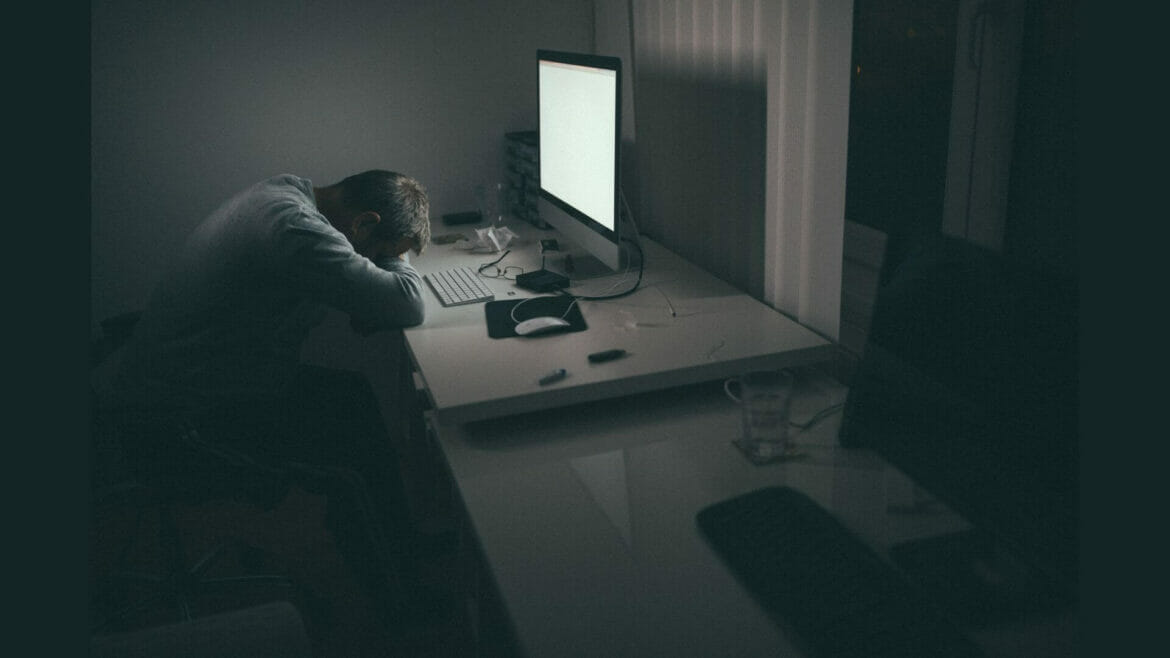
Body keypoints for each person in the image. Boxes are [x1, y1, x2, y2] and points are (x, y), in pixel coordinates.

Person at [104, 170, 435, 619]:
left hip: (204, 384)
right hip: (178, 420)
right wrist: (394, 265)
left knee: (351, 396)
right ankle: (402, 605)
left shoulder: (283, 198)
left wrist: (379, 261)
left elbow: (359, 296)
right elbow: (407, 303)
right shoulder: (294, 229)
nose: (378, 261)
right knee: (350, 455)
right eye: (380, 251)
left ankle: (394, 542)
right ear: (363, 224)